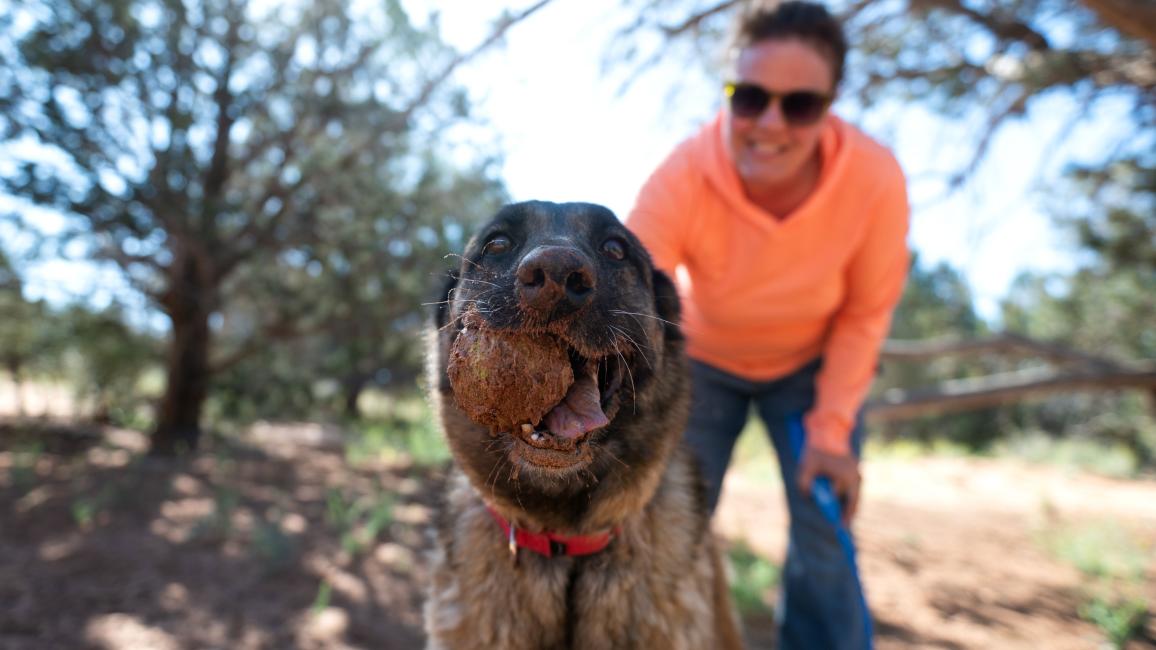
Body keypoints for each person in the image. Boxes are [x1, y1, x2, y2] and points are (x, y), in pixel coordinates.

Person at [625, 1, 909, 648]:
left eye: (800, 105)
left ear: (831, 103)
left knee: (823, 530)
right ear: (728, 90)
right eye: (749, 98)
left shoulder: (875, 180)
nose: (770, 123)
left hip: (810, 370)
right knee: (667, 523)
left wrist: (831, 430)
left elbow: (865, 313)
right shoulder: (686, 173)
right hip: (702, 366)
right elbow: (628, 291)